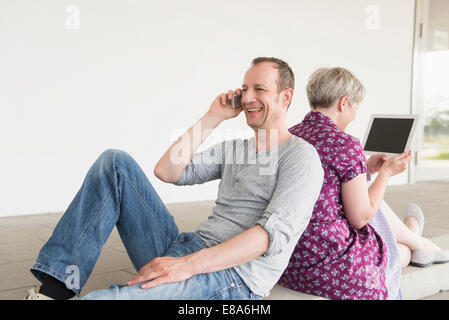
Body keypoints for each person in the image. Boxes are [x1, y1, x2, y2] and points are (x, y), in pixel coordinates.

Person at [25, 57, 324, 300]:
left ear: (286, 97)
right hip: (186, 246)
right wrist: (213, 116)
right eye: (245, 89)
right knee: (115, 163)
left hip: (233, 279)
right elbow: (168, 171)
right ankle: (54, 291)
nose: (247, 98)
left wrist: (186, 266)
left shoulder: (301, 157)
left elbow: (267, 237)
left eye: (259, 89)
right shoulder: (235, 147)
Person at [278, 67, 449, 300]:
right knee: (398, 252)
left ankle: (415, 236)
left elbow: (321, 185)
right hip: (327, 265)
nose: (355, 114)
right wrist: (385, 174)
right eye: (356, 107)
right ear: (343, 103)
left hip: (290, 261)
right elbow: (360, 217)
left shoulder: (289, 136)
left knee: (366, 191)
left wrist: (365, 169)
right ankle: (417, 242)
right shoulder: (345, 144)